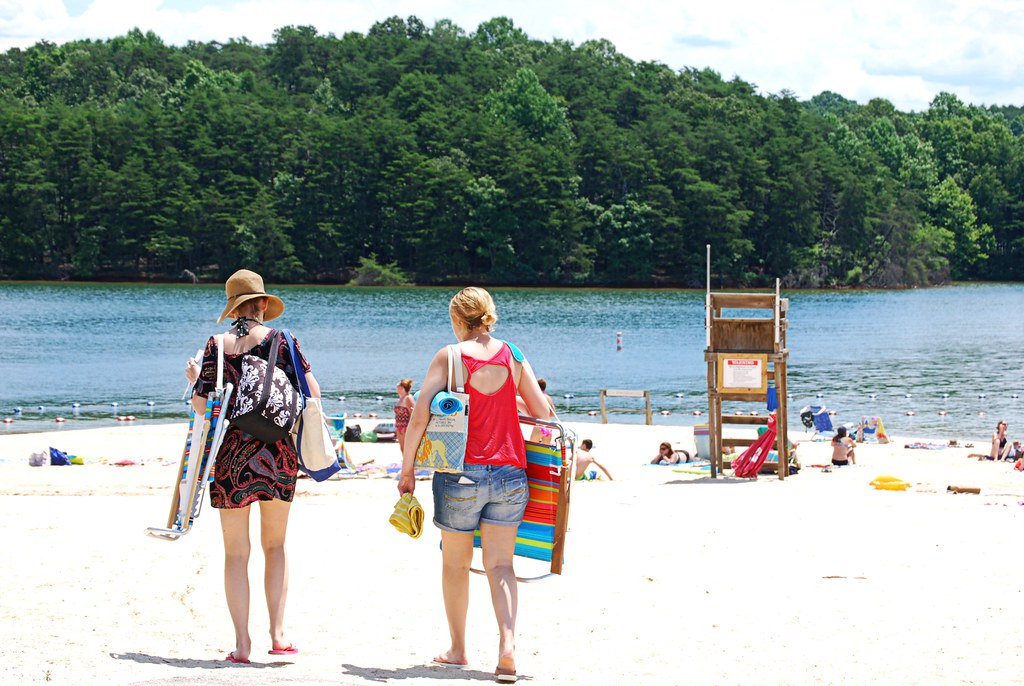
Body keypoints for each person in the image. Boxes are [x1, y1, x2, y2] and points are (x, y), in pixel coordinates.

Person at [398, 286, 551, 683]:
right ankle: (507, 646)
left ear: (456, 320)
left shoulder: (450, 357)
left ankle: (458, 649)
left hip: (459, 473)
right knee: (501, 565)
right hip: (511, 474)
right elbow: (544, 414)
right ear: (489, 315)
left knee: (455, 564)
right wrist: (509, 403)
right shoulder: (514, 355)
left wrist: (407, 468)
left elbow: (418, 418)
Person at [185, 269, 321, 665]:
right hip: (278, 455)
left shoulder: (217, 345)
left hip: (231, 457)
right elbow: (312, 393)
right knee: (275, 546)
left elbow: (203, 406)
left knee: (235, 554)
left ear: (233, 308)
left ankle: (243, 645)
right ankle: (278, 636)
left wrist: (196, 379)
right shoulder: (283, 340)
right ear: (263, 304)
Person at [394, 378, 416, 452]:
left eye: (398, 388)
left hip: (405, 426)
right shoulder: (400, 399)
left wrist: (410, 427)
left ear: (402, 388)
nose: (397, 389)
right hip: (399, 425)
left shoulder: (408, 398)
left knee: (406, 448)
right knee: (402, 447)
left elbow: (412, 413)